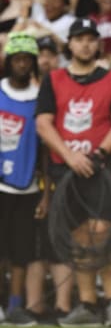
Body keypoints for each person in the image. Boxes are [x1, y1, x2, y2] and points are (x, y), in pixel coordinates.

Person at [35, 18, 111, 327]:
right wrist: (69, 156)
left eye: (91, 38)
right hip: (66, 171)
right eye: (79, 39)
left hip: (101, 167)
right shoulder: (53, 79)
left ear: (98, 44)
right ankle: (88, 304)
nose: (85, 44)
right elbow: (43, 123)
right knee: (78, 238)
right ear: (70, 44)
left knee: (102, 233)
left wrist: (98, 153)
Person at [0, 33, 44, 325]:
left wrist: (46, 193)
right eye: (17, 59)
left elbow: (45, 152)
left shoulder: (41, 98)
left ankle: (15, 306)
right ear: (8, 62)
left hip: (28, 187)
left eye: (27, 59)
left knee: (20, 252)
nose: (22, 64)